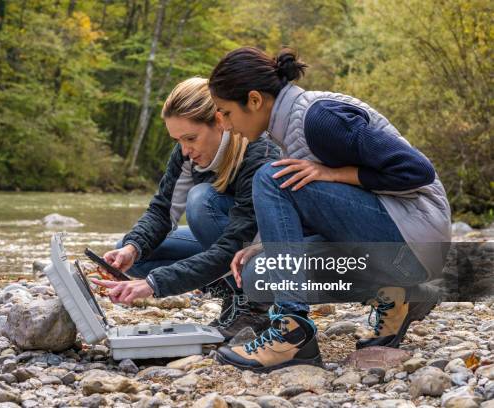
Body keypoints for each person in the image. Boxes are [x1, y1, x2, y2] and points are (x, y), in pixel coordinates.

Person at [208, 46, 451, 371]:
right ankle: (401, 295)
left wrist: (335, 173)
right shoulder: (287, 128)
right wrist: (263, 244)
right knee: (259, 273)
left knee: (272, 177)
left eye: (225, 112)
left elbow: (417, 171)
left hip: (416, 232)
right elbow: (324, 210)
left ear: (254, 100)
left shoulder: (320, 118)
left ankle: (291, 334)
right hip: (393, 241)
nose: (223, 125)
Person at [92, 77, 286, 340]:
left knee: (200, 201)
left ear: (220, 122)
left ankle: (256, 305)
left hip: (266, 252)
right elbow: (162, 211)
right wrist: (132, 247)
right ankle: (230, 292)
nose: (185, 149)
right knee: (137, 252)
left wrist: (154, 284)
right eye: (178, 140)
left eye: (190, 138)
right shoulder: (186, 153)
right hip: (227, 243)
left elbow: (234, 244)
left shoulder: (259, 152)